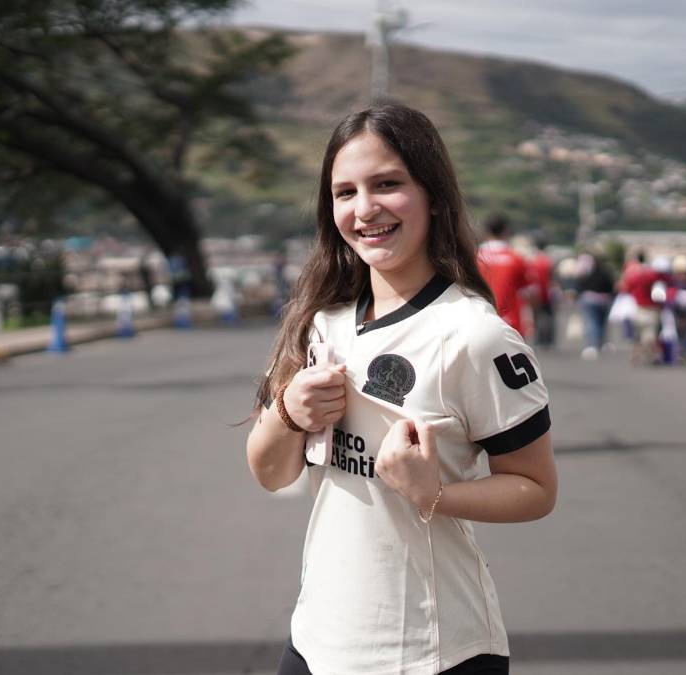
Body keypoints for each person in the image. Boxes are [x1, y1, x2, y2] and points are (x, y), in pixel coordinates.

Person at [245, 102, 556, 675]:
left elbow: (536, 488)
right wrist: (288, 412)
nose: (365, 209)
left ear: (432, 196)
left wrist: (432, 493)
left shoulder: (475, 336)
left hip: (433, 651)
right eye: (345, 192)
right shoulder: (322, 321)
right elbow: (270, 473)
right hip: (316, 639)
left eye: (387, 184)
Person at [477, 213, 529, 337]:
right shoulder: (516, 258)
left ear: (486, 231)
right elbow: (527, 292)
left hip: (479, 320)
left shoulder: (474, 257)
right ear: (506, 231)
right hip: (510, 322)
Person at [573, 244, 614, 360]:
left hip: (589, 299)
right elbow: (611, 286)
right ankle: (601, 343)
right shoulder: (607, 271)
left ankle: (592, 345)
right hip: (604, 300)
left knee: (592, 323)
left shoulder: (586, 271)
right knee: (602, 324)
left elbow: (580, 284)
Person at [527, 232, 556, 349]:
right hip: (547, 292)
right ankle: (548, 341)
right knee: (548, 317)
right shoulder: (549, 259)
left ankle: (538, 340)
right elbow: (552, 277)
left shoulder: (531, 259)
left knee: (536, 317)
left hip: (535, 293)